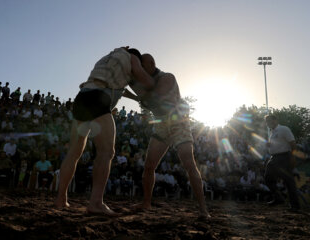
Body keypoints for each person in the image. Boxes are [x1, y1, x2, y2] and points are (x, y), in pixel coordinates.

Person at [54, 47, 155, 215]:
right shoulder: (132, 57)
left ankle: (60, 199)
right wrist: (152, 84)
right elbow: (143, 77)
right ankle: (96, 202)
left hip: (82, 97)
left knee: (74, 152)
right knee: (106, 152)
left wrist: (136, 98)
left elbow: (119, 88)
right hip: (97, 99)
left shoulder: (110, 58)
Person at [124, 53, 210, 219]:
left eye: (141, 67)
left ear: (150, 63)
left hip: (179, 123)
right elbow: (148, 101)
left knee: (189, 164)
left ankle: (203, 208)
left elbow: (155, 101)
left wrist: (133, 93)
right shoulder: (145, 81)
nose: (139, 70)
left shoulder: (167, 77)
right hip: (162, 125)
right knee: (149, 166)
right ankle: (146, 203)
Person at [264, 115, 300, 211]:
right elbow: (277, 145)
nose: (267, 123)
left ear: (275, 119)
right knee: (268, 178)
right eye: (266, 121)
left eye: (269, 120)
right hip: (274, 158)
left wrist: (293, 157)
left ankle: (294, 205)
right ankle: (279, 198)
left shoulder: (284, 129)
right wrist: (269, 145)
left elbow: (292, 143)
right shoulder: (271, 132)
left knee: (288, 181)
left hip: (284, 157)